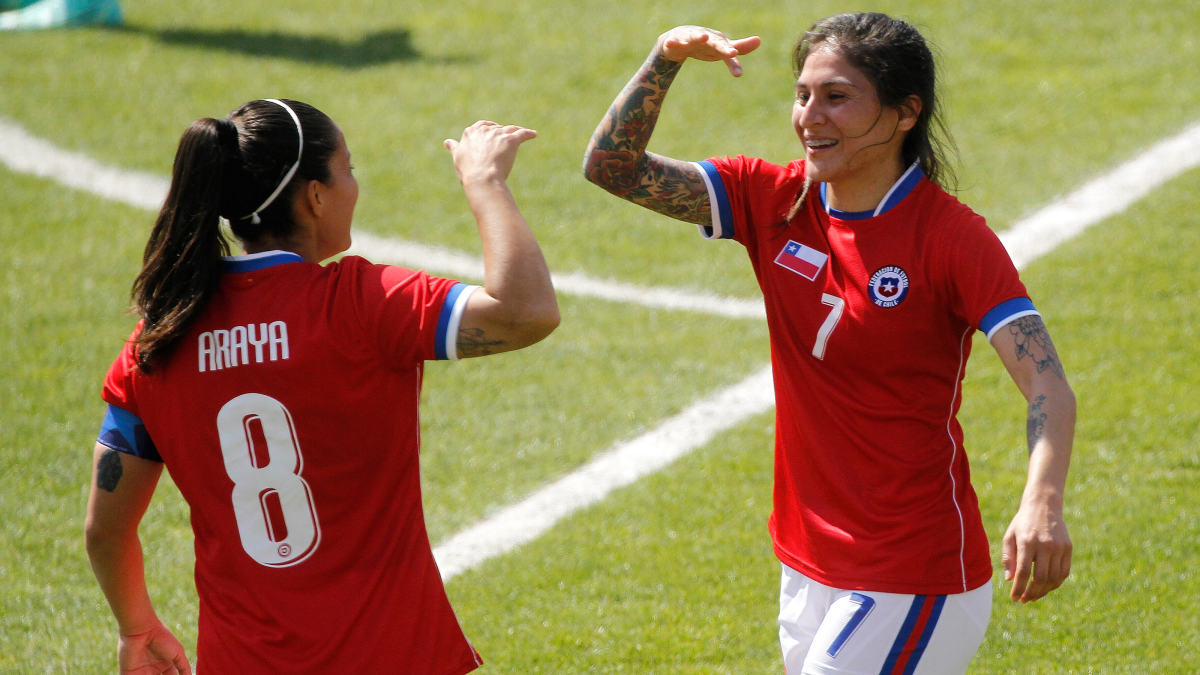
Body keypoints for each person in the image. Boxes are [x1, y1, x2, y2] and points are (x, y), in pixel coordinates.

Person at [583, 14, 1074, 675]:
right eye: (803, 94)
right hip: (809, 562)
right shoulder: (772, 199)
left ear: (905, 113)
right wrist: (664, 56)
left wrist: (1041, 501)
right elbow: (611, 167)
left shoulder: (952, 239)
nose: (810, 116)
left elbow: (1047, 382)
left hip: (912, 570)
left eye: (836, 97)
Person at [85, 98, 558, 674]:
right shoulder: (360, 305)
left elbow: (105, 532)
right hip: (390, 659)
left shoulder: (155, 343)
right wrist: (485, 181)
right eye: (347, 169)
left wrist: (138, 627)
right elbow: (526, 311)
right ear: (313, 195)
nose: (354, 186)